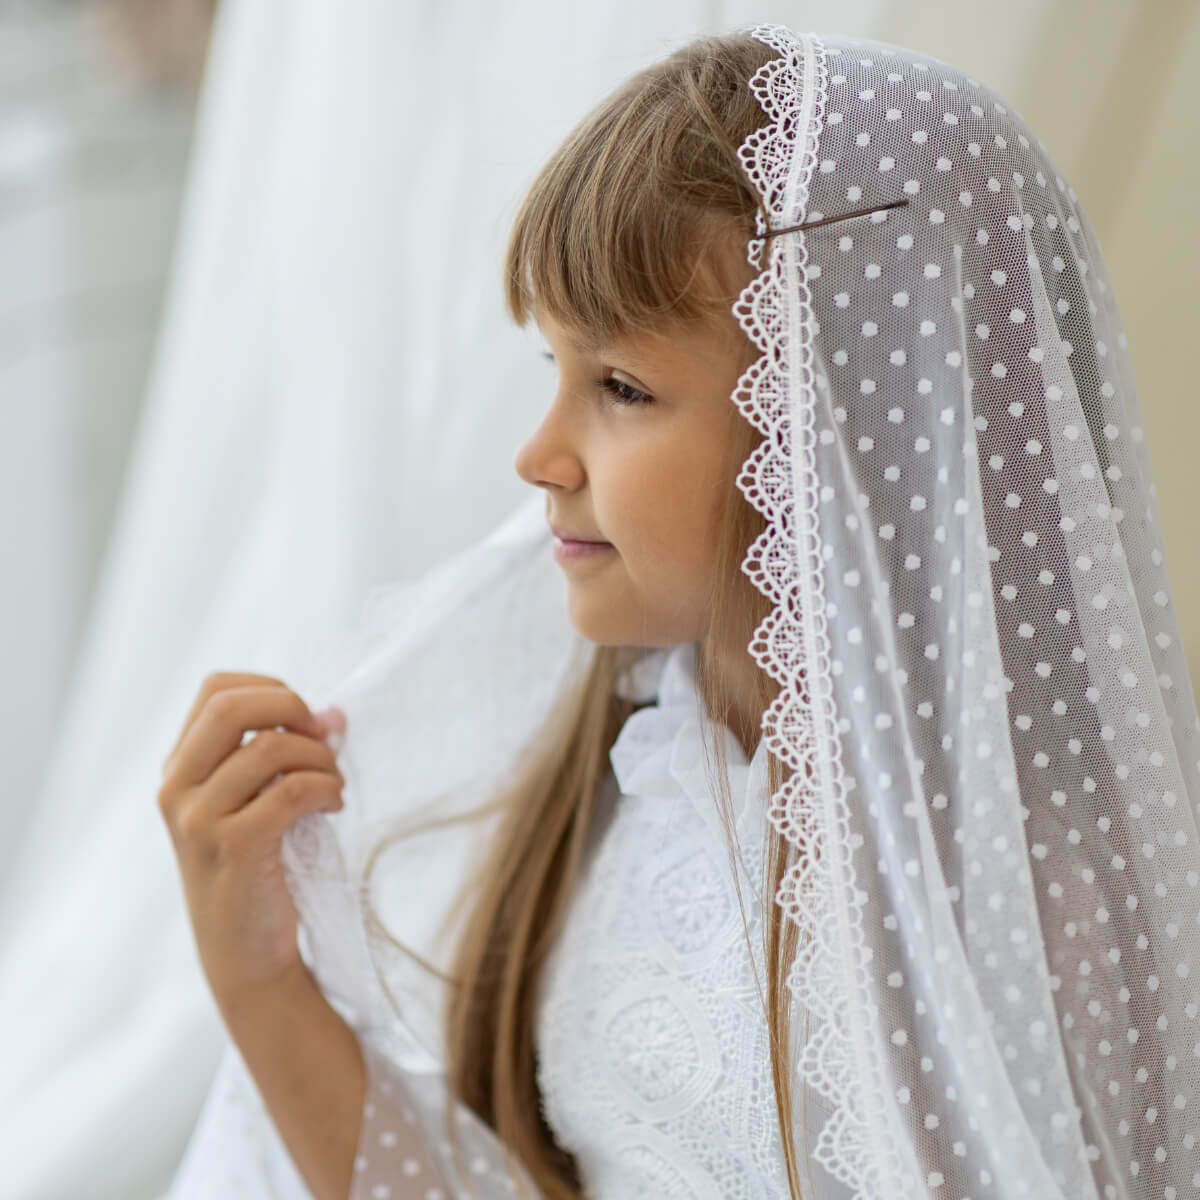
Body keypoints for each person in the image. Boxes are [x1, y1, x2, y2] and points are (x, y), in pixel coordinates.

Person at [158, 23, 1200, 1200]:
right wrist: (259, 985)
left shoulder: (1036, 903)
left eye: (621, 386)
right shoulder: (625, 771)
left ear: (845, 435)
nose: (540, 455)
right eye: (551, 369)